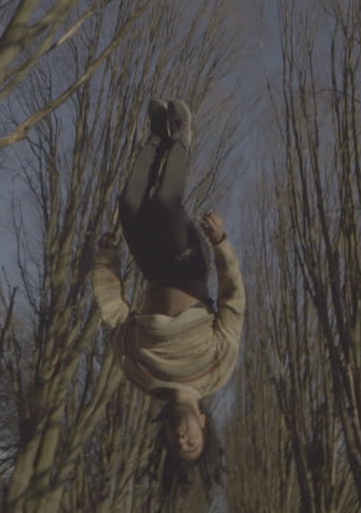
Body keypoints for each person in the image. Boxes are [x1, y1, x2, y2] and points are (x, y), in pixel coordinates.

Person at [91, 98, 244, 500]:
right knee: (162, 204)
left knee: (129, 207)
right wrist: (221, 244)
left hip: (152, 269)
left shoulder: (141, 375)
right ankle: (181, 138)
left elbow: (115, 316)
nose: (181, 439)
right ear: (204, 428)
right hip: (189, 265)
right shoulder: (219, 369)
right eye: (190, 443)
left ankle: (156, 136)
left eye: (175, 445)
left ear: (163, 434)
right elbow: (232, 303)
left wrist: (107, 260)